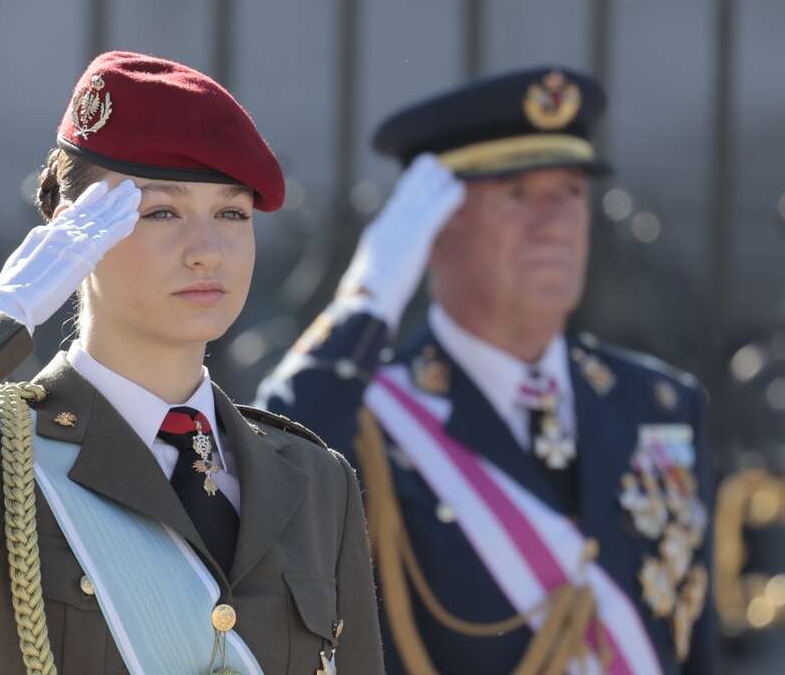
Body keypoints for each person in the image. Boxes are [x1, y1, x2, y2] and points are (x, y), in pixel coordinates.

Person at [0, 50, 384, 674]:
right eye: (161, 213)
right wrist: (4, 309)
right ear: (75, 233)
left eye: (231, 213)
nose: (207, 252)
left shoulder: (313, 478)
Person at [257, 66, 715, 674]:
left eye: (571, 191)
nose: (553, 222)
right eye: (518, 194)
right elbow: (276, 462)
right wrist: (366, 302)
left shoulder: (660, 404)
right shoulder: (367, 417)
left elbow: (695, 640)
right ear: (436, 230)